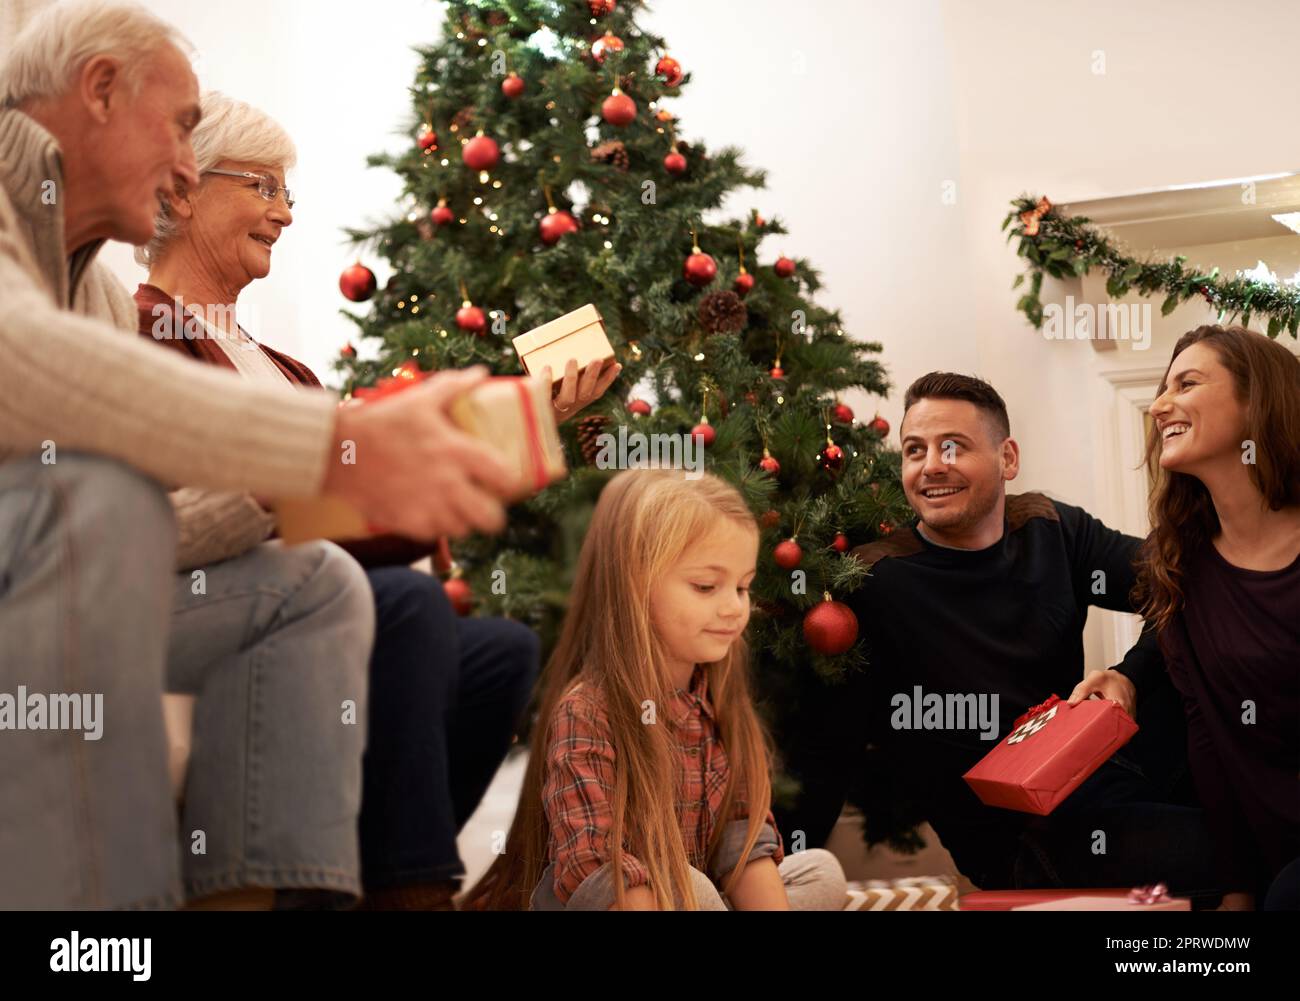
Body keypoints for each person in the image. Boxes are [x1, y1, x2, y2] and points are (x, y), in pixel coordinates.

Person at [0, 0, 517, 909]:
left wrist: (301, 494)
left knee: (316, 583)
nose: (186, 168)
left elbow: (153, 528)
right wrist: (331, 450)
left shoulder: (101, 295)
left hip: (80, 583)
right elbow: (24, 364)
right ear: (101, 90)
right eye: (183, 128)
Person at [128, 90, 620, 908]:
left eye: (288, 192)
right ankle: (413, 892)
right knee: (412, 608)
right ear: (185, 188)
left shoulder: (287, 370)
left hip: (322, 588)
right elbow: (204, 510)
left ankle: (362, 881)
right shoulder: (147, 329)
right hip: (218, 603)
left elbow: (355, 518)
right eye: (264, 186)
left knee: (500, 652)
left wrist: (522, 424)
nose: (284, 213)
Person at [777, 371, 1219, 901]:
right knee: (1232, 845)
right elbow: (825, 752)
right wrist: (773, 879)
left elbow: (1182, 579)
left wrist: (1128, 675)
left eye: (952, 447)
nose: (931, 465)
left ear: (1007, 458)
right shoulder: (872, 584)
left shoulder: (1051, 528)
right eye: (914, 450)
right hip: (1027, 838)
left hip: (1107, 774)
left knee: (1211, 644)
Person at [463, 468, 847, 911]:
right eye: (706, 586)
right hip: (623, 901)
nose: (734, 607)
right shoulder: (586, 711)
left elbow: (742, 839)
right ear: (635, 586)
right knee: (691, 887)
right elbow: (596, 872)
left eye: (742, 587)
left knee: (820, 872)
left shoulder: (718, 701)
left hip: (690, 895)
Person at [1137, 325, 1299, 911]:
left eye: (1188, 383)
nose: (1159, 405)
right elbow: (1209, 738)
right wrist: (1238, 887)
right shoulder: (1181, 565)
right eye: (1162, 387)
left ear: (1257, 403)